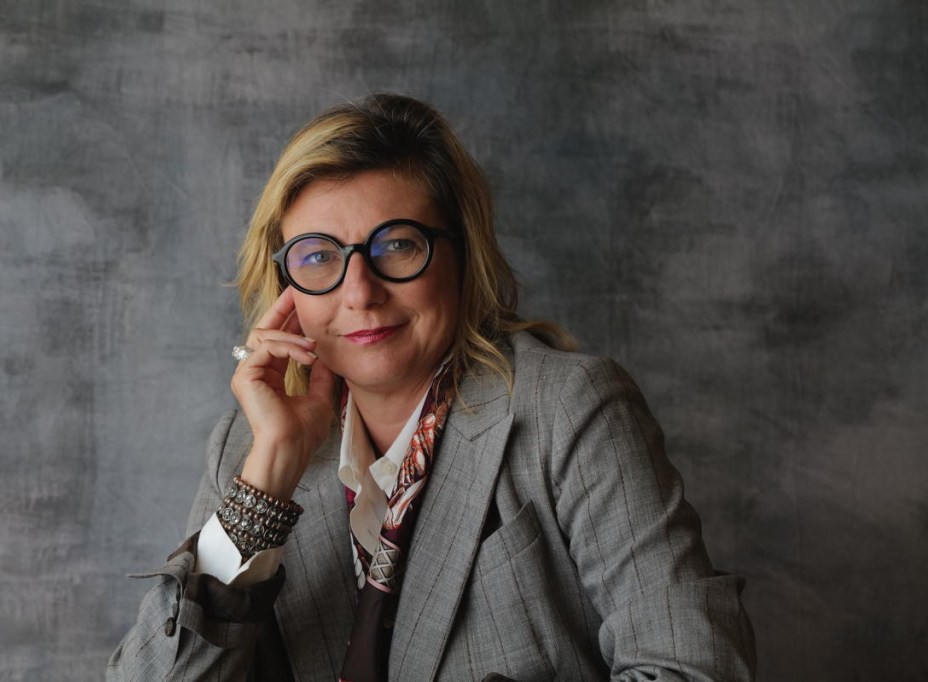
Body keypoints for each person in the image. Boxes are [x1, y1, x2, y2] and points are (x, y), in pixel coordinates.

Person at [107, 93, 756, 682]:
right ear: (285, 288)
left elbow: (693, 669)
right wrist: (266, 482)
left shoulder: (569, 408)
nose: (359, 292)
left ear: (461, 255)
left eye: (396, 245)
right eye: (318, 256)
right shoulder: (250, 445)